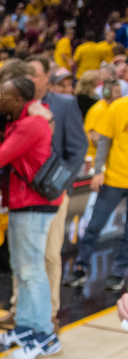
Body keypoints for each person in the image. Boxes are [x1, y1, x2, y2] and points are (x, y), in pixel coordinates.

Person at [0, 76, 63, 359]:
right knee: (22, 270)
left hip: (33, 205)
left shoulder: (30, 125)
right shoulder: (25, 120)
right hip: (24, 204)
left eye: (3, 95)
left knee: (33, 271)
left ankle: (45, 336)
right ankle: (25, 327)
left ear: (19, 99)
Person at [25, 56, 87, 308]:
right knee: (24, 256)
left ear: (46, 76)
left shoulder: (65, 104)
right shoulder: (21, 104)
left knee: (50, 254)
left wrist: (59, 182)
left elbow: (78, 148)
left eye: (33, 74)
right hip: (24, 191)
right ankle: (20, 306)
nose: (28, 78)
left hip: (54, 192)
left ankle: (50, 310)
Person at [76, 84, 128, 292]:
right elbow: (104, 142)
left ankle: (117, 272)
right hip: (113, 178)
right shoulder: (119, 106)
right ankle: (81, 266)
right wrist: (98, 171)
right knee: (94, 225)